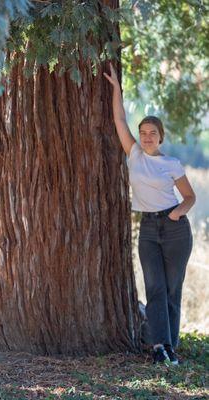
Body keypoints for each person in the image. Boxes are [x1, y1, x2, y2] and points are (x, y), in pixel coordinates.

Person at [104, 63, 195, 365]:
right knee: (154, 287)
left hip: (174, 229)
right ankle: (160, 347)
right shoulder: (134, 154)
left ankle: (171, 346)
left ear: (160, 137)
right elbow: (119, 118)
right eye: (142, 132)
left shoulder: (172, 164)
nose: (145, 137)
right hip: (148, 228)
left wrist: (176, 213)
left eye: (151, 133)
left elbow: (190, 197)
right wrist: (117, 89)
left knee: (172, 289)